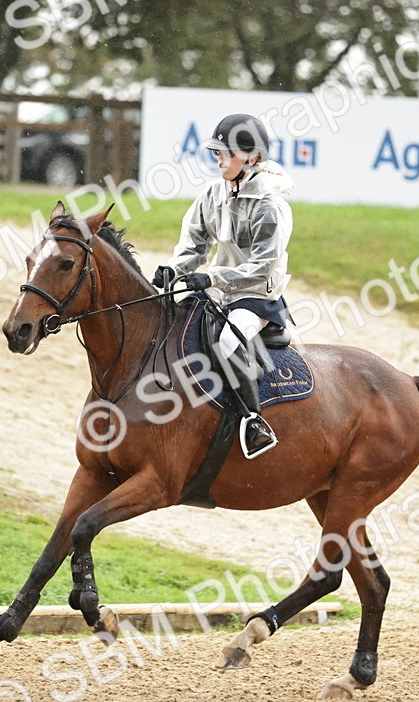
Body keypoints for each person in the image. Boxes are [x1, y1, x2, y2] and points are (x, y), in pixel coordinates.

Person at [153, 113, 294, 459]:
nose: (218, 161)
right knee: (176, 316)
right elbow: (195, 246)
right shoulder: (213, 194)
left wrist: (213, 277)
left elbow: (263, 265)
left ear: (252, 157)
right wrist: (173, 270)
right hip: (220, 288)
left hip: (257, 295)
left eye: (225, 154)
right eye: (216, 153)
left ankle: (253, 420)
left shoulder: (270, 206)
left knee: (228, 338)